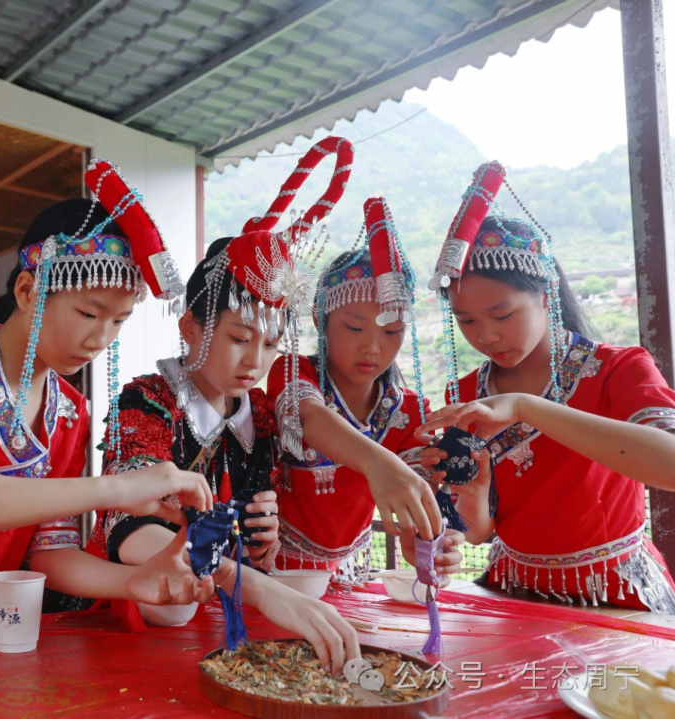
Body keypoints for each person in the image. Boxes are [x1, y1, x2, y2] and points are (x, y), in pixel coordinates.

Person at [0, 160, 224, 628]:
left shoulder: (71, 412)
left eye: (118, 321)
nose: (101, 338)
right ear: (27, 291)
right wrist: (113, 488)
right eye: (88, 313)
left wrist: (134, 581)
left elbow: (50, 552)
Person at [94, 142, 368, 673]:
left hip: (220, 610)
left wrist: (260, 542)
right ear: (190, 328)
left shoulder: (260, 417)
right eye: (240, 338)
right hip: (143, 606)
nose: (255, 361)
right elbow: (127, 524)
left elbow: (246, 539)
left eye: (270, 344)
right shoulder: (147, 400)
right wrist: (249, 580)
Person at [418, 161, 675, 612]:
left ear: (545, 294)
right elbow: (481, 531)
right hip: (514, 590)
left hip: (613, 593)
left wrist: (525, 408)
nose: (486, 336)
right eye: (467, 321)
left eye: (502, 315)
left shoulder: (617, 369)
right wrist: (472, 496)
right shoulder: (468, 392)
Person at [266, 197, 462, 583]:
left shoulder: (408, 412)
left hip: (352, 578)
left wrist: (425, 541)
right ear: (320, 319)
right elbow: (308, 416)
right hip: (277, 572)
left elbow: (415, 494)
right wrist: (378, 463)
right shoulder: (293, 372)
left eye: (392, 332)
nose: (372, 347)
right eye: (355, 328)